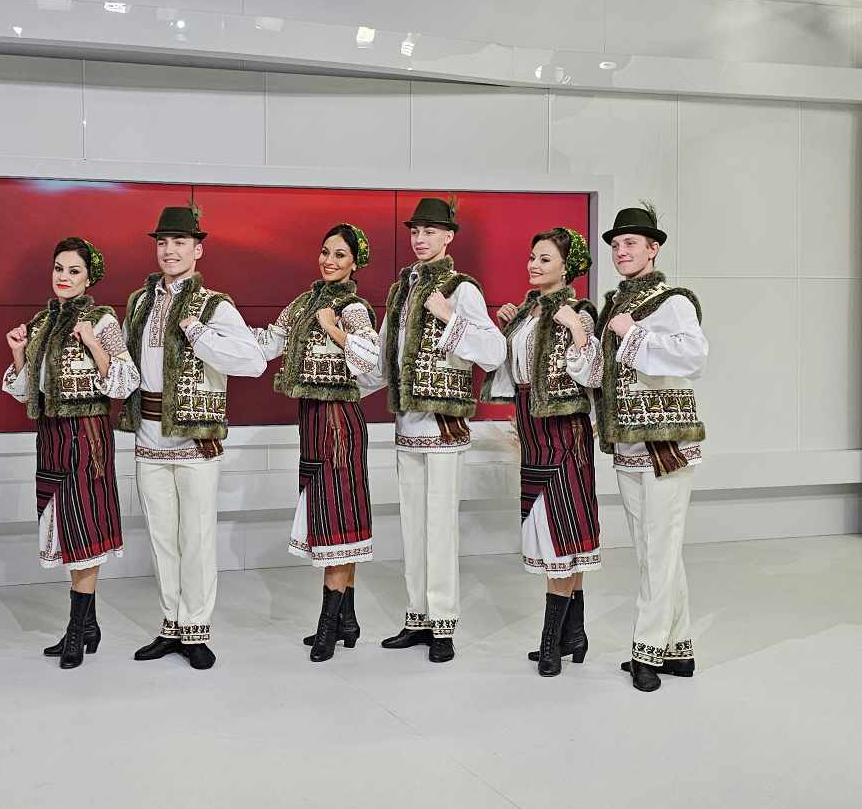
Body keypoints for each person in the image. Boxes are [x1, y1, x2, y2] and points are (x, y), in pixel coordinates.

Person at [118, 204, 265, 670]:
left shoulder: (214, 305)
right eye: (163, 242)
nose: (170, 250)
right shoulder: (139, 303)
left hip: (195, 437)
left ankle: (196, 628)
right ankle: (171, 624)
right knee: (161, 536)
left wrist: (198, 334)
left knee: (196, 536)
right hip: (149, 434)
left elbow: (252, 362)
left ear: (198, 250)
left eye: (180, 242)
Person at [361, 196, 505, 664]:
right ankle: (417, 617)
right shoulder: (401, 291)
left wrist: (449, 316)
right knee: (413, 525)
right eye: (415, 231)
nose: (420, 239)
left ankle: (443, 623)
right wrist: (343, 381)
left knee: (440, 527)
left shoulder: (462, 290)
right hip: (407, 425)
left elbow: (493, 352)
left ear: (448, 237)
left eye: (430, 231)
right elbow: (384, 359)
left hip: (443, 426)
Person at [3, 237, 140, 669]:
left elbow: (125, 381)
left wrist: (94, 344)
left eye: (74, 270)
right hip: (50, 436)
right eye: (58, 268)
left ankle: (77, 632)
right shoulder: (42, 322)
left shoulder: (103, 319)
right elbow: (28, 391)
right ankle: (89, 626)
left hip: (86, 436)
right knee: (64, 528)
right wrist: (19, 352)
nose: (63, 277)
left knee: (83, 529)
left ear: (89, 277)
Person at [591, 206, 708, 693]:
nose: (621, 251)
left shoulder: (672, 301)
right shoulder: (614, 305)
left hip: (665, 443)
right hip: (629, 442)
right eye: (616, 245)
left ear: (653, 248)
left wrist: (632, 333)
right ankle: (679, 648)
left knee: (659, 548)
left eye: (631, 243)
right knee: (653, 549)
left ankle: (647, 649)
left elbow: (693, 356)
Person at [254, 223, 381, 662]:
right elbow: (270, 342)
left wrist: (334, 329)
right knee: (328, 515)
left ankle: (329, 625)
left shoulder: (355, 308)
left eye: (340, 254)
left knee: (336, 520)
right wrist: (221, 333)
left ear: (355, 263)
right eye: (325, 251)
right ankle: (348, 620)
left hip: (339, 421)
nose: (329, 260)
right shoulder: (304, 302)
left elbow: (369, 358)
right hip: (311, 418)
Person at [487, 227, 603, 677]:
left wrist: (575, 328)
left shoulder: (581, 312)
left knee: (560, 532)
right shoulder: (527, 312)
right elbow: (512, 371)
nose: (534, 265)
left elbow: (593, 374)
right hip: (532, 426)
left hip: (563, 429)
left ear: (567, 267)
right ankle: (574, 633)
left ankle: (551, 639)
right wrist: (508, 327)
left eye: (545, 259)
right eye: (532, 257)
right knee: (552, 528)